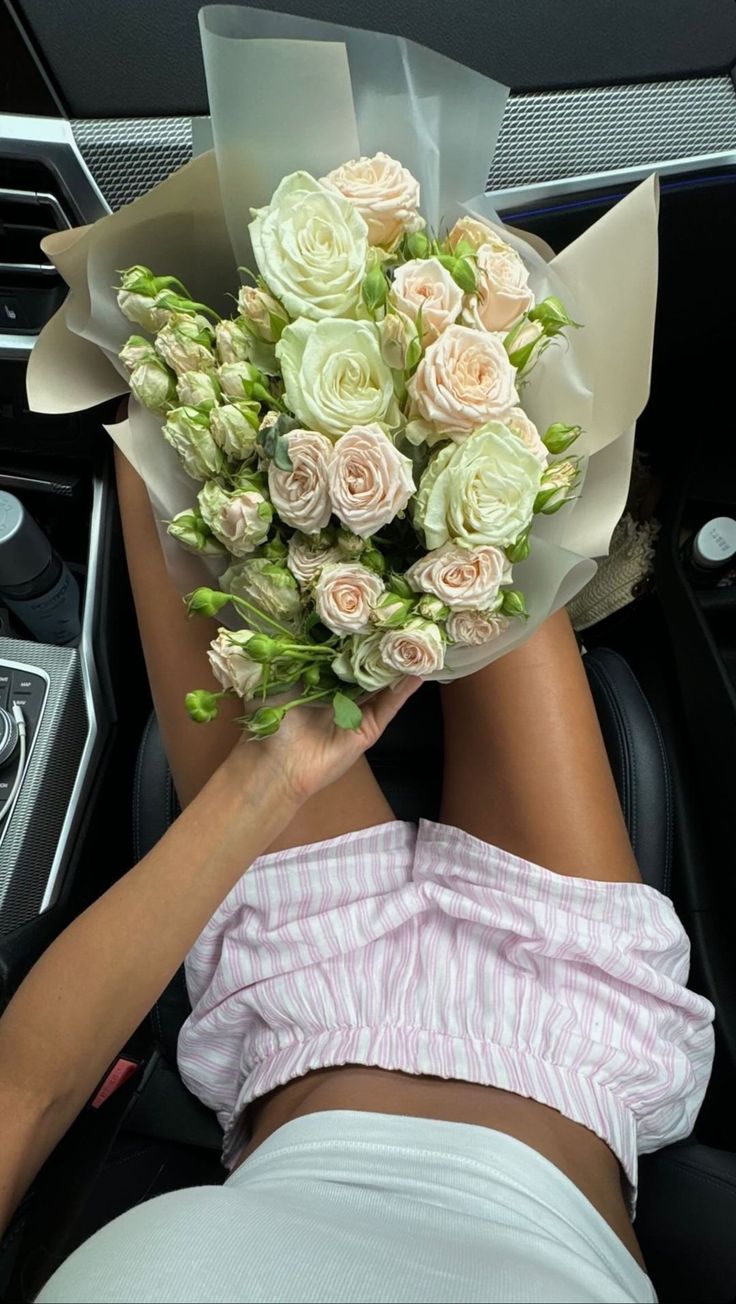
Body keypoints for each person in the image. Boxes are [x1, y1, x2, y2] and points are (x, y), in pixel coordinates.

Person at [0, 450, 714, 1304]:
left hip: (297, 981)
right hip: (566, 1029)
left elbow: (25, 1093)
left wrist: (262, 786)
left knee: (159, 434)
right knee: (488, 459)